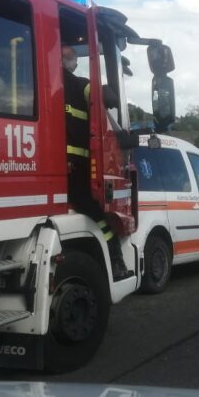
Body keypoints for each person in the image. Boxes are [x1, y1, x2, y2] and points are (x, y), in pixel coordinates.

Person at [62, 45, 131, 276]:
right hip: (76, 171)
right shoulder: (80, 85)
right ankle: (115, 258)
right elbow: (106, 97)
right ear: (73, 63)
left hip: (53, 170)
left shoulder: (40, 83)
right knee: (97, 214)